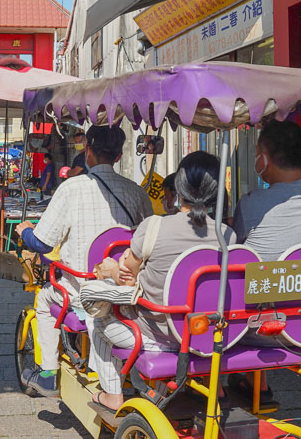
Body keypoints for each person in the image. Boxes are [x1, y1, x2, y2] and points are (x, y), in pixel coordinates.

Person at [86, 151, 235, 411]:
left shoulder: (153, 226)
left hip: (155, 334)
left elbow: (127, 275)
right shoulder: (228, 236)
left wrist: (112, 269)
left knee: (97, 321)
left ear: (179, 186)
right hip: (207, 334)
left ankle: (112, 394)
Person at [14, 125, 154, 397]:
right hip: (126, 292)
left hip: (82, 292)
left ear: (87, 150)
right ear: (118, 155)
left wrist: (24, 232)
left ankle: (47, 373)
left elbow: (42, 243)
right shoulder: (136, 192)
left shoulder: (70, 189)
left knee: (43, 298)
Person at [229, 119, 301, 404]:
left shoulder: (252, 204)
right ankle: (259, 384)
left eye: (257, 152)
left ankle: (233, 388)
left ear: (264, 158)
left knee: (239, 285)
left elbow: (241, 253)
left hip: (262, 331)